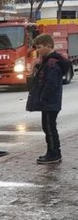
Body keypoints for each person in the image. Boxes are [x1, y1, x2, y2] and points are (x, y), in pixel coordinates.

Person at [26, 33, 70, 164]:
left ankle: (54, 153)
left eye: (40, 47)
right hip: (49, 102)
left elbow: (51, 84)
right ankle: (52, 152)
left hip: (50, 103)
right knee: (48, 127)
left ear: (49, 46)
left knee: (50, 128)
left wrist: (43, 98)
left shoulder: (52, 63)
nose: (38, 50)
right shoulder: (47, 62)